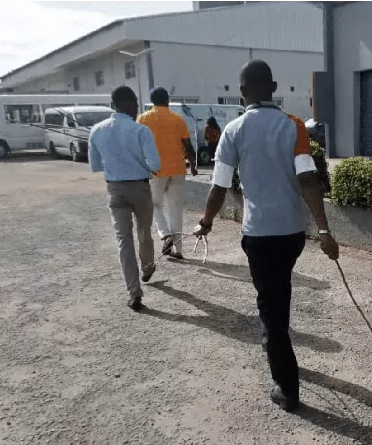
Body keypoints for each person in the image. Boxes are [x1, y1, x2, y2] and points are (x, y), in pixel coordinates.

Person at [193, 60, 339, 413]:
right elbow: (308, 180)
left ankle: (287, 389)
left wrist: (206, 222)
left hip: (258, 235)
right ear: (273, 88)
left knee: (273, 309)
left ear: (242, 93)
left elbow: (219, 186)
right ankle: (273, 338)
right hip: (291, 234)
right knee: (278, 293)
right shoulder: (294, 127)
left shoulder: (232, 131)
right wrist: (323, 231)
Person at [88, 86, 161, 311]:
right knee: (144, 233)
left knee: (124, 241)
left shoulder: (96, 130)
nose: (137, 108)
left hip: (115, 190)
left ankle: (134, 292)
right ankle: (147, 267)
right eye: (136, 104)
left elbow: (95, 166)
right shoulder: (141, 131)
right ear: (129, 104)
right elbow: (156, 165)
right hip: (139, 188)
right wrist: (143, 166)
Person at [137, 87, 198, 260]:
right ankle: (178, 250)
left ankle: (165, 234)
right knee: (176, 209)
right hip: (178, 169)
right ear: (167, 100)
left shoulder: (142, 118)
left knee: (153, 204)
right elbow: (188, 146)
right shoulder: (177, 119)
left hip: (155, 171)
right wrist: (193, 166)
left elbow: (138, 145)